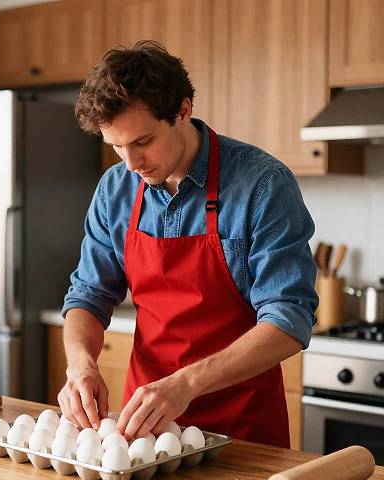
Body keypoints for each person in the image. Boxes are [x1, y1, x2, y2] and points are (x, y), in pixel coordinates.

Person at [58, 40, 318, 448]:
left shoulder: (262, 184)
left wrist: (187, 383)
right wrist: (80, 365)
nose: (130, 164)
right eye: (116, 147)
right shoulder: (116, 188)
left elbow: (288, 319)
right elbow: (88, 295)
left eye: (142, 142)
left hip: (242, 432)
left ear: (182, 112)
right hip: (144, 428)